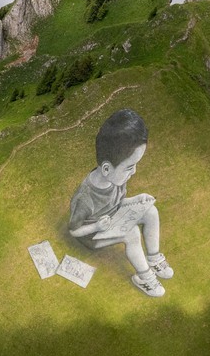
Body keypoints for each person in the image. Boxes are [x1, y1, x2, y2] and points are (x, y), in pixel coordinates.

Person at [67, 108, 173, 297]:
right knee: (131, 233)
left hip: (110, 217)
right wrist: (97, 226)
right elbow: (74, 230)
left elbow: (116, 203)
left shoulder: (115, 180)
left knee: (151, 211)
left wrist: (137, 200)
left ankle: (154, 258)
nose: (134, 172)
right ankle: (144, 277)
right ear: (107, 169)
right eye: (130, 167)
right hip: (93, 235)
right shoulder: (85, 198)